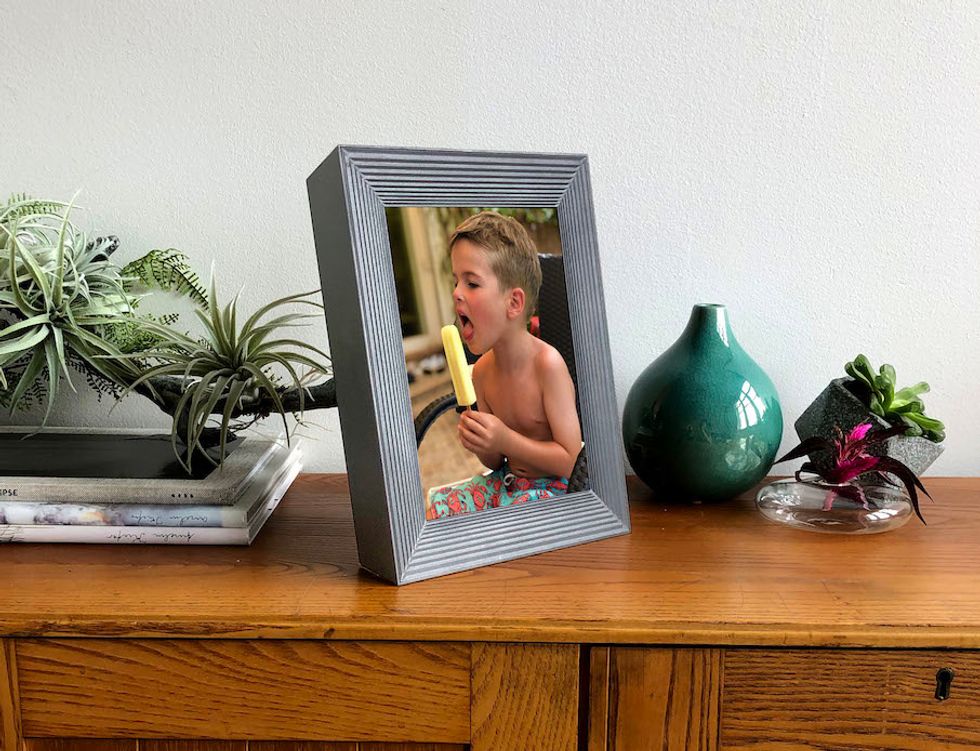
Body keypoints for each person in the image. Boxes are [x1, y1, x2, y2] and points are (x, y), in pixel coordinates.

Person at [427, 211, 582, 519]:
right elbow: (495, 462)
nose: (456, 292)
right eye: (456, 281)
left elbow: (570, 459)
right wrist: (482, 441)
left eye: (471, 283)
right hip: (507, 483)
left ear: (513, 303)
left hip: (553, 491)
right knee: (438, 507)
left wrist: (504, 438)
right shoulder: (481, 373)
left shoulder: (546, 365)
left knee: (506, 524)